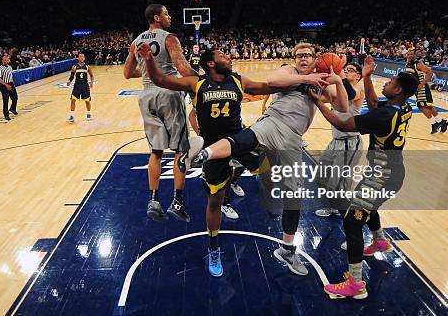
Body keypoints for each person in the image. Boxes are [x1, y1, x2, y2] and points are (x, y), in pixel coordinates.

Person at [185, 43, 346, 276]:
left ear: (315, 59)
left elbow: (341, 105)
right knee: (244, 139)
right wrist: (308, 78)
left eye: (307, 55)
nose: (302, 58)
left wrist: (338, 81)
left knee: (293, 195)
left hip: (293, 138)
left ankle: (287, 250)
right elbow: (272, 81)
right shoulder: (289, 71)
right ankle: (202, 154)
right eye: (299, 55)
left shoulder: (322, 83)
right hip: (274, 122)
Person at [137, 43, 279, 277]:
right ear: (211, 63)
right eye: (224, 55)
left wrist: (301, 81)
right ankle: (213, 248)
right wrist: (149, 60)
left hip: (239, 140)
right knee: (215, 201)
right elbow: (161, 80)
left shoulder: (238, 80)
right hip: (212, 149)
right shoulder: (196, 83)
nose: (230, 57)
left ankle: (238, 179)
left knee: (269, 167)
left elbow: (267, 86)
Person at [309, 55, 418, 299]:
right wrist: (367, 76)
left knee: (351, 219)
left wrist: (318, 102)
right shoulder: (402, 107)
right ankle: (380, 241)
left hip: (382, 178)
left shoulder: (384, 116)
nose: (385, 83)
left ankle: (356, 285)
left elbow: (342, 123)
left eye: (390, 81)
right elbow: (375, 105)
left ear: (398, 90)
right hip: (386, 173)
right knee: (367, 207)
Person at [123, 4, 196, 222]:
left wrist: (147, 69)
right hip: (169, 93)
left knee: (156, 152)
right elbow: (182, 69)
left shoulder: (136, 42)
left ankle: (153, 200)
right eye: (166, 13)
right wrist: (202, 81)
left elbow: (127, 73)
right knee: (180, 150)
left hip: (146, 95)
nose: (170, 16)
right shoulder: (169, 38)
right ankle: (177, 201)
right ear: (157, 17)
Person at [315, 62, 365, 218]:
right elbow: (320, 97)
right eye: (346, 69)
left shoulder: (358, 89)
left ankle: (349, 217)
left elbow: (350, 94)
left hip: (349, 143)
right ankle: (337, 207)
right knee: (322, 176)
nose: (346, 72)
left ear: (358, 76)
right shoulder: (338, 91)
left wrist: (339, 76)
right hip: (336, 141)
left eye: (350, 71)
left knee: (338, 183)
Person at [405, 50, 448, 134]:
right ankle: (442, 122)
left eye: (411, 54)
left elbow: (430, 72)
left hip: (422, 89)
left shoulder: (417, 64)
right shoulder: (407, 64)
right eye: (408, 54)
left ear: (414, 55)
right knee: (428, 106)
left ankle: (434, 123)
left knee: (421, 106)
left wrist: (422, 83)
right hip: (416, 89)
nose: (410, 56)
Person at [66, 53, 94, 123]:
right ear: (78, 58)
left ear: (84, 58)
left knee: (87, 101)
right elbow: (72, 76)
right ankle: (72, 116)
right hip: (77, 86)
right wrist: (69, 81)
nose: (81, 58)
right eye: (80, 57)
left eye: (83, 57)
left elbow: (91, 75)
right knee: (73, 100)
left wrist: (91, 82)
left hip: (85, 86)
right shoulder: (74, 67)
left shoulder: (87, 66)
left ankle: (88, 114)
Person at [0, 54, 18, 120]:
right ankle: (6, 115)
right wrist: (6, 85)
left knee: (15, 97)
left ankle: (12, 109)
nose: (6, 61)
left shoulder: (10, 67)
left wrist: (12, 83)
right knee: (6, 100)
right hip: (4, 85)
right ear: (2, 61)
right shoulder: (0, 69)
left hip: (11, 84)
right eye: (5, 60)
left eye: (7, 60)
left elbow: (10, 76)